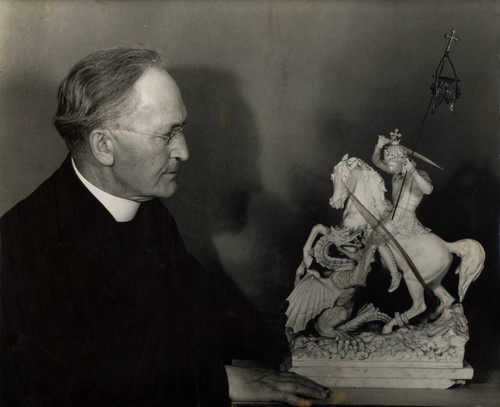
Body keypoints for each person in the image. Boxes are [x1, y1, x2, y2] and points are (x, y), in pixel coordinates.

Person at [0, 48, 330, 407]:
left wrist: (288, 344)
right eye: (167, 134)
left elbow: (200, 306)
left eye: (182, 129)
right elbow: (84, 388)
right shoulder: (31, 247)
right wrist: (218, 382)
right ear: (103, 146)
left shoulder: (141, 205)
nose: (184, 151)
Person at [371, 129, 433, 291]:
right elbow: (376, 161)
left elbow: (428, 190)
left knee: (375, 237)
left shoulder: (419, 173)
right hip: (393, 213)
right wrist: (379, 147)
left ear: (401, 161)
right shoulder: (397, 173)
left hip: (405, 216)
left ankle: (395, 275)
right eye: (389, 165)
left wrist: (412, 171)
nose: (390, 168)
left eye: (392, 164)